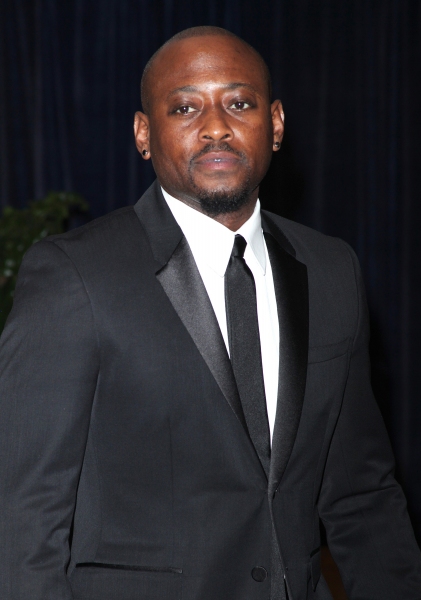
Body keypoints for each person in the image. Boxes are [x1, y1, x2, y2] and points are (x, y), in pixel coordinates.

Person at [0, 25, 420, 600]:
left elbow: (361, 495)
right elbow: (22, 518)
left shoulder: (331, 270)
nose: (217, 125)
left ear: (274, 124)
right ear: (144, 134)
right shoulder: (73, 276)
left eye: (239, 103)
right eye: (186, 106)